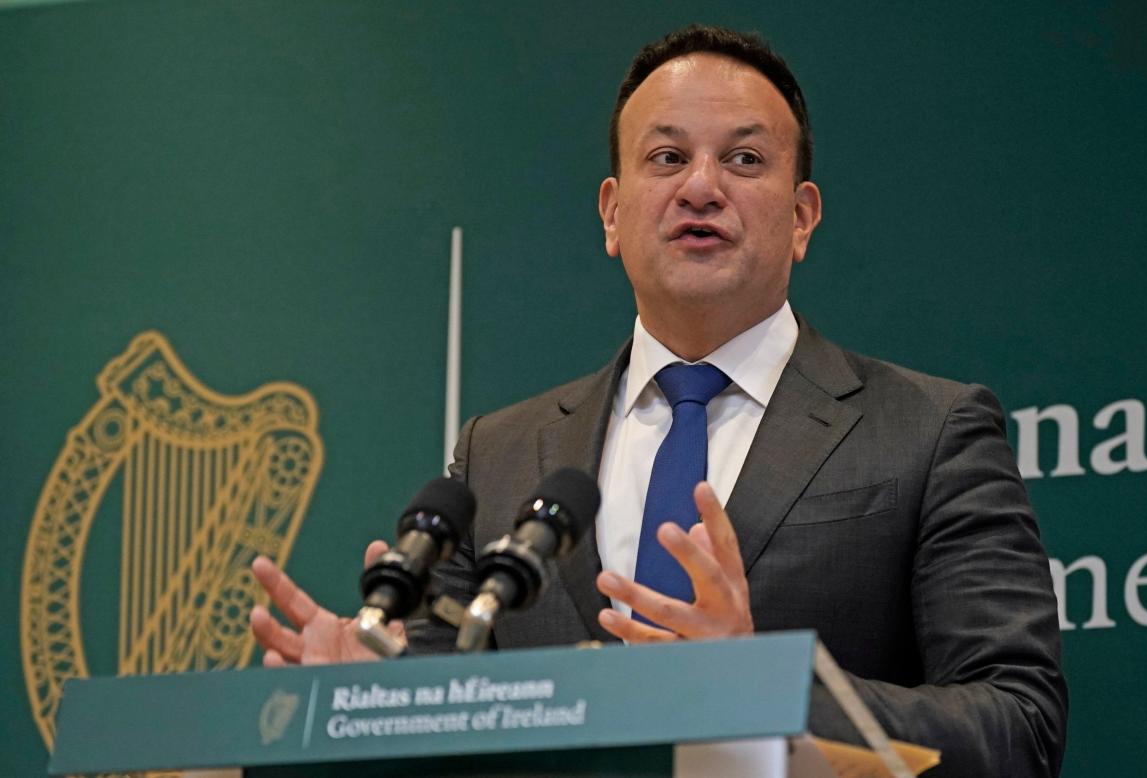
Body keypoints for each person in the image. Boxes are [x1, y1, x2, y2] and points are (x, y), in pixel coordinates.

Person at [251, 25, 1068, 776]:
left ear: (802, 217)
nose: (702, 187)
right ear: (613, 214)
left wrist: (762, 691)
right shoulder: (499, 452)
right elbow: (455, 709)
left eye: (744, 160)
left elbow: (1017, 724)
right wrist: (363, 703)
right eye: (667, 158)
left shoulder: (929, 431)